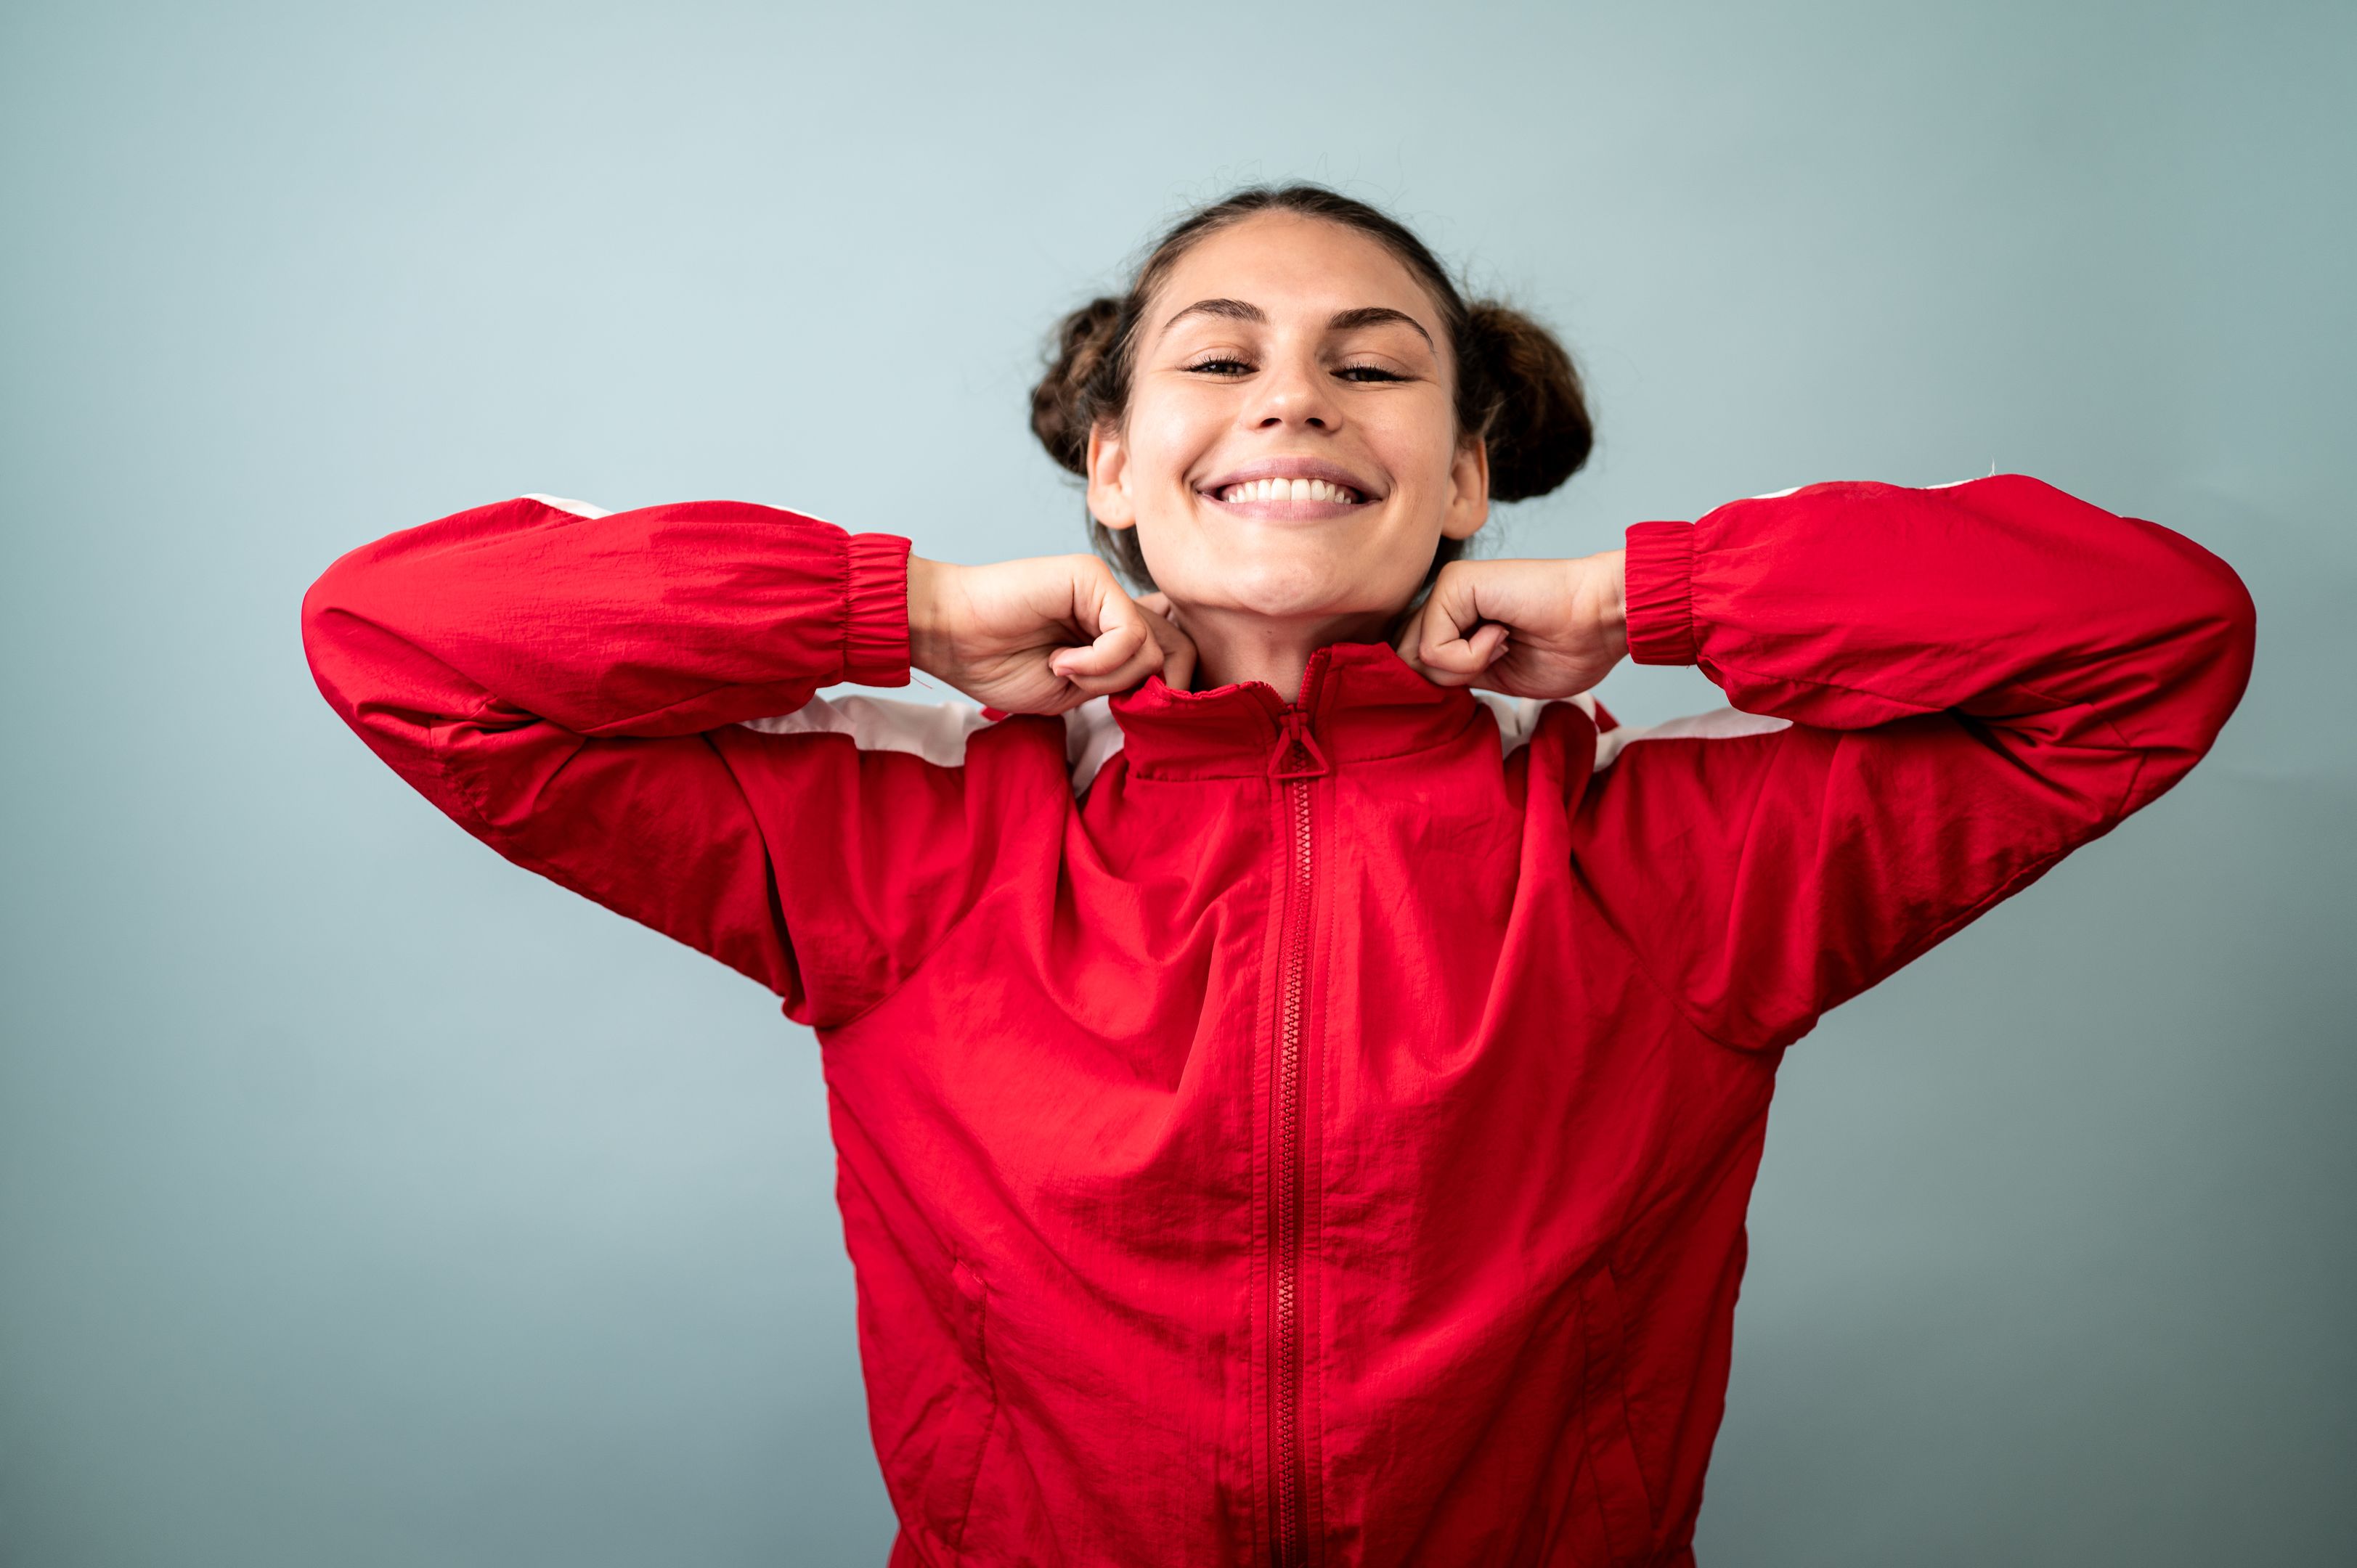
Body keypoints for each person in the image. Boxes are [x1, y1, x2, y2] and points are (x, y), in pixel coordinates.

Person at [301, 184, 2255, 1567]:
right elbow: (403, 638)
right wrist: (899, 610)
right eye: (1218, 356)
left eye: (1374, 367)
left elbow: (2152, 643)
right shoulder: (912, 843)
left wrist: (1649, 599)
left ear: (1470, 476)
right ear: (1112, 466)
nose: (1294, 398)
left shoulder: (1664, 859)